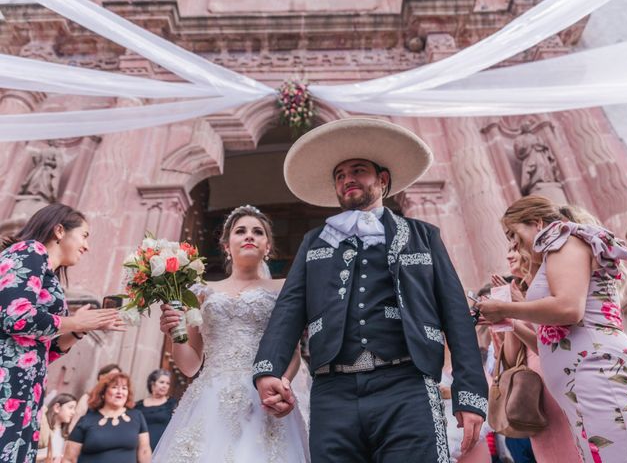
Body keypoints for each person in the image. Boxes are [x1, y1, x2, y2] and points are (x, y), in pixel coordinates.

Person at [253, 118, 488, 462]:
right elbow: (289, 309)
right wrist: (268, 370)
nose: (347, 179)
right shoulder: (314, 241)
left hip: (407, 383)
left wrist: (470, 395)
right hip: (332, 391)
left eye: (358, 170)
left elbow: (456, 315)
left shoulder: (424, 235)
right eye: (340, 175)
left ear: (382, 179)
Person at [478, 195, 627, 462]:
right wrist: (510, 321)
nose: (513, 244)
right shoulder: (553, 253)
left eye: (513, 233)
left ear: (536, 222)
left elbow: (569, 309)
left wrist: (506, 308)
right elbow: (548, 341)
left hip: (600, 373)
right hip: (582, 385)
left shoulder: (565, 240)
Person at [154, 205, 310, 462]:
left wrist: (281, 385)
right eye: (240, 231)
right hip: (211, 400)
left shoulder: (283, 288)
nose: (249, 236)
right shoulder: (200, 291)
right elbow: (191, 365)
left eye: (257, 232)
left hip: (263, 395)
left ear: (267, 246)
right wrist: (175, 333)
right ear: (226, 245)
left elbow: (291, 351)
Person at [0, 203, 124, 463]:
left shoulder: (50, 275)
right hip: (6, 380)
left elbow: (47, 350)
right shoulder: (29, 251)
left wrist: (82, 329)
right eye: (85, 236)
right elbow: (16, 317)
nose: (87, 246)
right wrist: (74, 323)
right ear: (59, 230)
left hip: (25, 390)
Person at [486, 242, 582, 462]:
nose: (509, 256)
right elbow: (510, 359)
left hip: (564, 379)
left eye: (514, 249)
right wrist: (508, 316)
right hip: (535, 394)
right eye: (507, 249)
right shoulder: (513, 291)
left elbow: (558, 340)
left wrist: (520, 308)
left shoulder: (557, 288)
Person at [63, 372, 151, 463]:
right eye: (114, 387)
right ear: (103, 393)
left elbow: (144, 451)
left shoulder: (137, 416)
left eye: (124, 388)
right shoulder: (86, 421)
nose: (120, 392)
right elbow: (69, 458)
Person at [69, 363, 122, 432]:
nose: (114, 380)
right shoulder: (87, 398)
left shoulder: (118, 402)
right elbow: (74, 423)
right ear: (101, 377)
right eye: (112, 376)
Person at [134, 369, 177, 451]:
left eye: (167, 383)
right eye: (162, 382)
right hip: (140, 450)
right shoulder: (138, 405)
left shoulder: (172, 404)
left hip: (163, 450)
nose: (165, 386)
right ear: (152, 384)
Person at [36, 394, 77, 463]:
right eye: (70, 407)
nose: (73, 412)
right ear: (57, 407)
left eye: (74, 409)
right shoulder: (43, 429)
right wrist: (49, 456)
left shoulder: (65, 435)